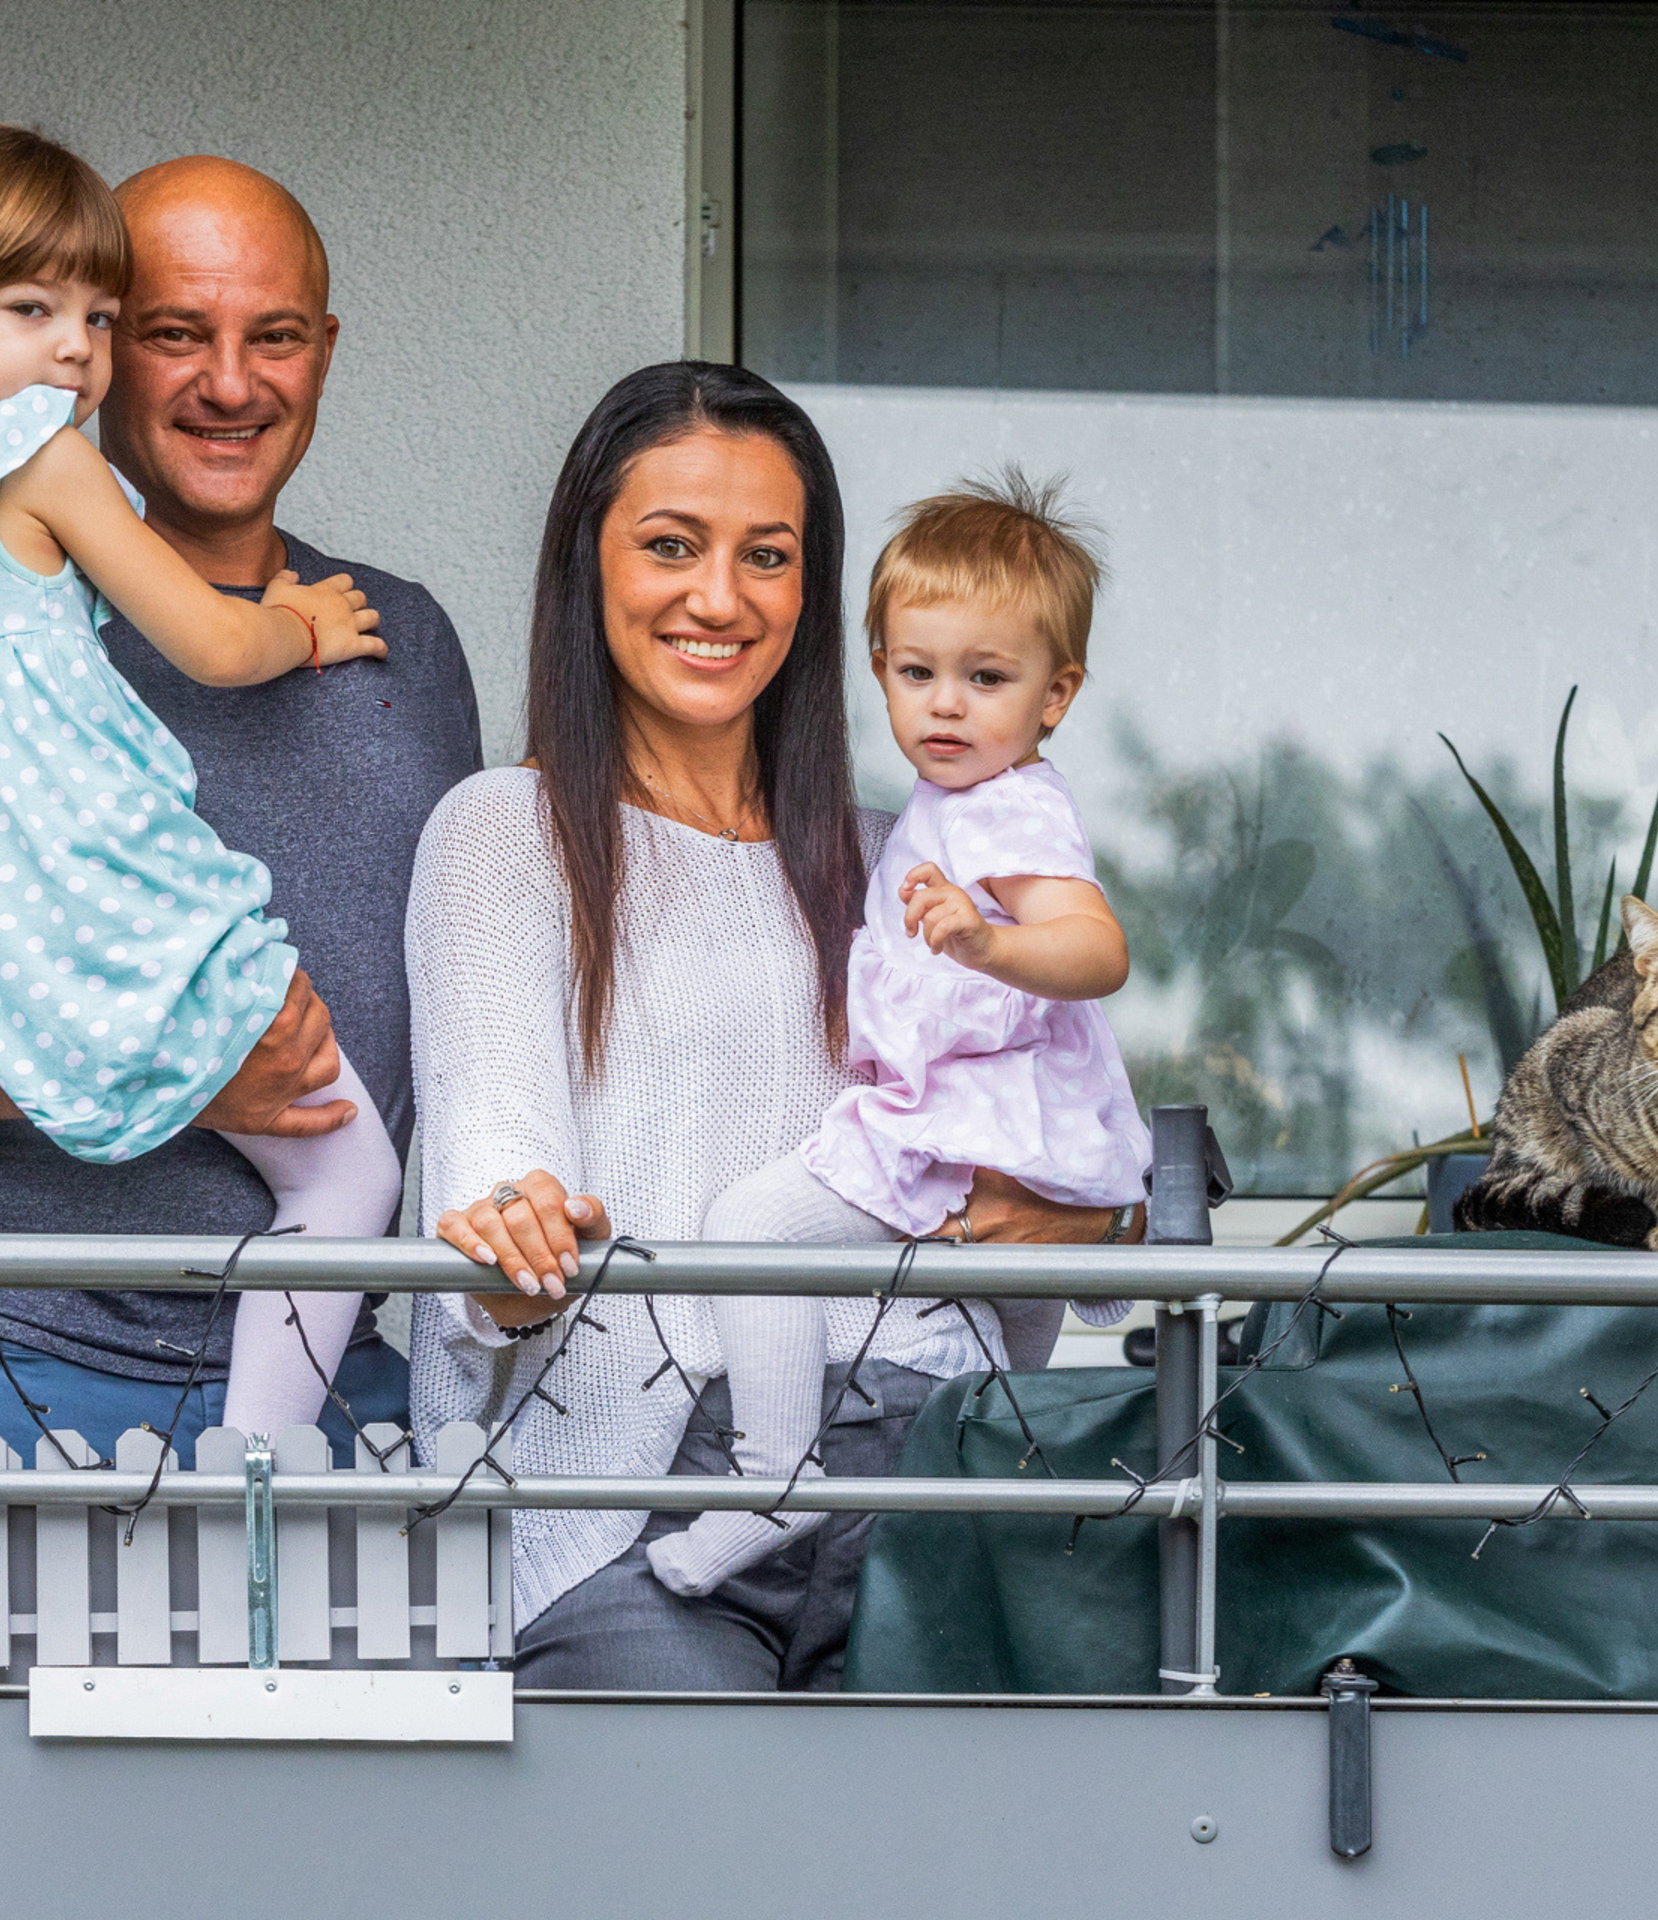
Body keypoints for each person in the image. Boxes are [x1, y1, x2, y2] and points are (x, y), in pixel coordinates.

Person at [408, 362, 1141, 1692]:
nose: (719, 596)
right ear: (586, 563)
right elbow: (491, 1156)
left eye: (767, 555)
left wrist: (1095, 1224)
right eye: (670, 545)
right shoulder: (505, 833)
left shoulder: (908, 863)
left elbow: (1062, 1134)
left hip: (930, 1474)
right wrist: (511, 1243)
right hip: (636, 1515)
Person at [0, 145, 483, 1465]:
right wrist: (182, 1070)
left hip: (339, 1387)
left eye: (275, 336)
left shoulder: (407, 639)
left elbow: (469, 1011)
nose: (231, 384)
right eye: (174, 333)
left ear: (326, 353)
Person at [648, 473, 1147, 1599]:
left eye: (987, 678)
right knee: (1002, 1375)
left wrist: (988, 944)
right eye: (917, 674)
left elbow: (1097, 948)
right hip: (1003, 1125)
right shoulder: (956, 803)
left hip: (965, 1123)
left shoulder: (1012, 808)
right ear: (878, 668)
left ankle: (775, 1478)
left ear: (1058, 693)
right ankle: (991, 1501)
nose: (946, 707)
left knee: (752, 1226)